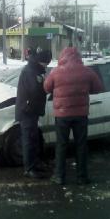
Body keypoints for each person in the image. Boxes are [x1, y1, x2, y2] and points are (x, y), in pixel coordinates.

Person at [44, 47, 103, 185]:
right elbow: (98, 87)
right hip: (81, 115)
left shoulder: (56, 72)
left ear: (62, 57)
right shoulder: (87, 71)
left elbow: (46, 88)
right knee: (81, 145)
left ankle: (59, 176)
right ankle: (82, 177)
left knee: (61, 145)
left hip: (62, 115)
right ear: (78, 57)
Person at [15, 49, 52, 179]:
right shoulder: (31, 71)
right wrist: (46, 86)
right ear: (40, 61)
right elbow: (35, 91)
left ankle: (35, 164)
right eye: (45, 63)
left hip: (31, 110)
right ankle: (29, 168)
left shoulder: (34, 69)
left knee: (33, 139)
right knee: (28, 141)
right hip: (27, 111)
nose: (46, 66)